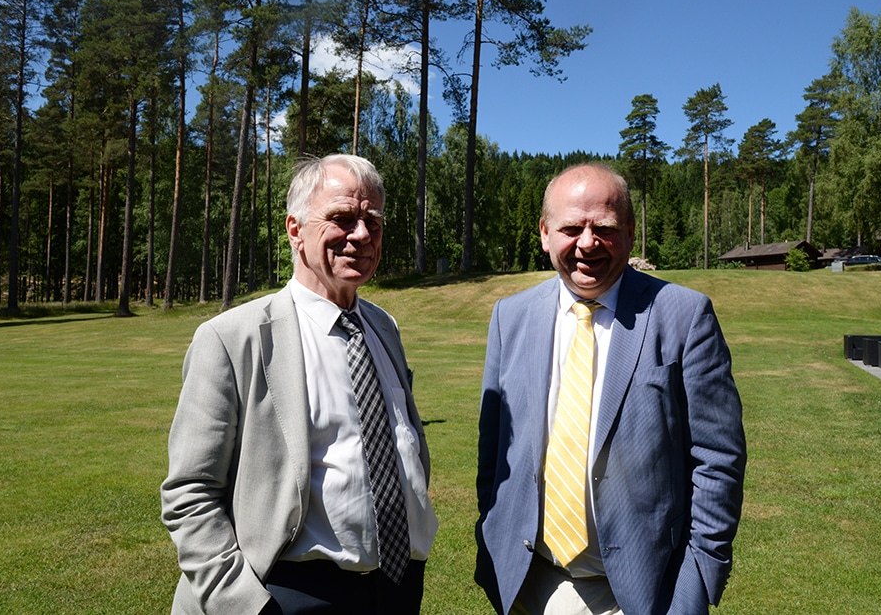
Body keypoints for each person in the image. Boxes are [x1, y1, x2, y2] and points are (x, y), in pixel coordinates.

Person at [161, 154, 437, 615]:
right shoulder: (232, 338)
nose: (363, 235)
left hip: (396, 587)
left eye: (373, 220)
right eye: (342, 218)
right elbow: (190, 493)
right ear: (295, 229)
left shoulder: (384, 326)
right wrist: (247, 605)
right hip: (287, 592)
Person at [475, 163, 745, 615]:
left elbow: (718, 462)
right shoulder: (510, 317)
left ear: (631, 233)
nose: (586, 244)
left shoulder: (684, 316)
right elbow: (493, 449)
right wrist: (491, 540)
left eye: (604, 227)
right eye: (570, 228)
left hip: (638, 594)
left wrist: (697, 578)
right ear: (544, 233)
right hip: (526, 582)